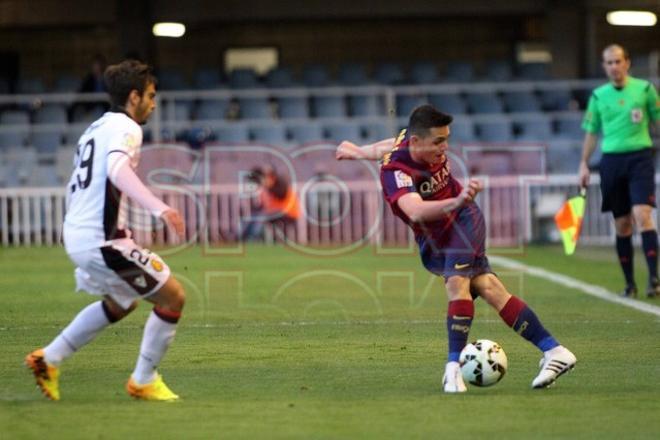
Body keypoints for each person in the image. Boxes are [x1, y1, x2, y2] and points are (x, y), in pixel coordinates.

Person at [336, 104, 576, 392]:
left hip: (463, 220)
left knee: (457, 284)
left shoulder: (410, 140)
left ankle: (452, 369)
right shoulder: (395, 172)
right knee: (489, 287)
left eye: (446, 138)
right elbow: (414, 210)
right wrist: (456, 199)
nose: (445, 147)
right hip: (435, 233)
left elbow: (391, 142)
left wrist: (361, 151)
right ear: (416, 142)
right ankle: (554, 351)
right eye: (438, 141)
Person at [25, 60, 186, 401]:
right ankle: (143, 379)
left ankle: (49, 358)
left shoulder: (95, 129)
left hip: (81, 236)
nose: (154, 104)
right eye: (151, 96)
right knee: (173, 297)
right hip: (101, 241)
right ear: (134, 96)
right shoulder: (127, 128)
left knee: (122, 301)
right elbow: (116, 169)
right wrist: (159, 207)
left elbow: (80, 184)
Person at [579, 44, 660, 298]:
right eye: (609, 63)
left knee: (642, 214)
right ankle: (629, 283)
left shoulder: (645, 89)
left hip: (640, 158)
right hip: (611, 161)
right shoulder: (598, 96)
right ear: (604, 66)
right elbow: (592, 133)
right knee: (622, 223)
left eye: (617, 61)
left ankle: (654, 279)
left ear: (627, 62)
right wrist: (583, 162)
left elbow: (658, 120)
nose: (614, 66)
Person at [241, 165, 300, 242]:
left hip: (288, 213)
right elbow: (264, 205)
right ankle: (243, 236)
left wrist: (267, 186)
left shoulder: (280, 184)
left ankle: (252, 238)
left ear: (272, 176)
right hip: (274, 212)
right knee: (254, 215)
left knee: (261, 216)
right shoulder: (266, 188)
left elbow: (280, 193)